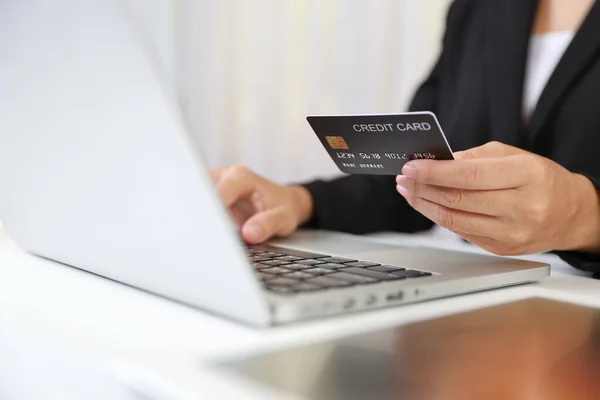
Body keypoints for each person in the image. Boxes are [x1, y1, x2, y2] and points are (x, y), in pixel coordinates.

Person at [212, 0, 600, 273]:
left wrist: (583, 216)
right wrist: (301, 202)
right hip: (488, 297)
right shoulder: (476, 8)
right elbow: (413, 172)